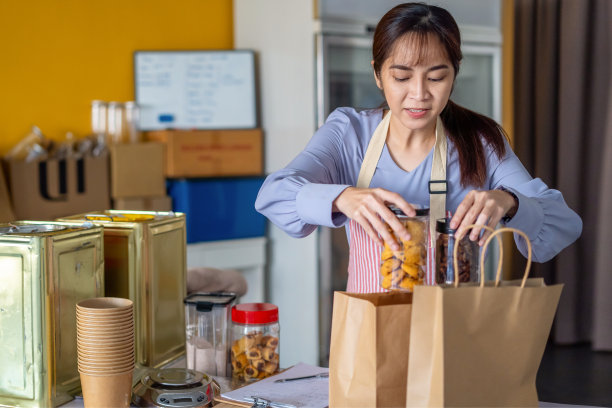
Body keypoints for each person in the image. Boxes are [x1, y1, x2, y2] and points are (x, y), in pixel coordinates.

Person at [255, 2, 582, 293]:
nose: (419, 94)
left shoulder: (481, 142)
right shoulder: (348, 132)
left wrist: (509, 201)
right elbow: (274, 194)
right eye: (401, 77)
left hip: (456, 337)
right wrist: (342, 197)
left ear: (454, 75)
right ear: (378, 75)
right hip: (370, 334)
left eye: (436, 77)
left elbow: (563, 225)